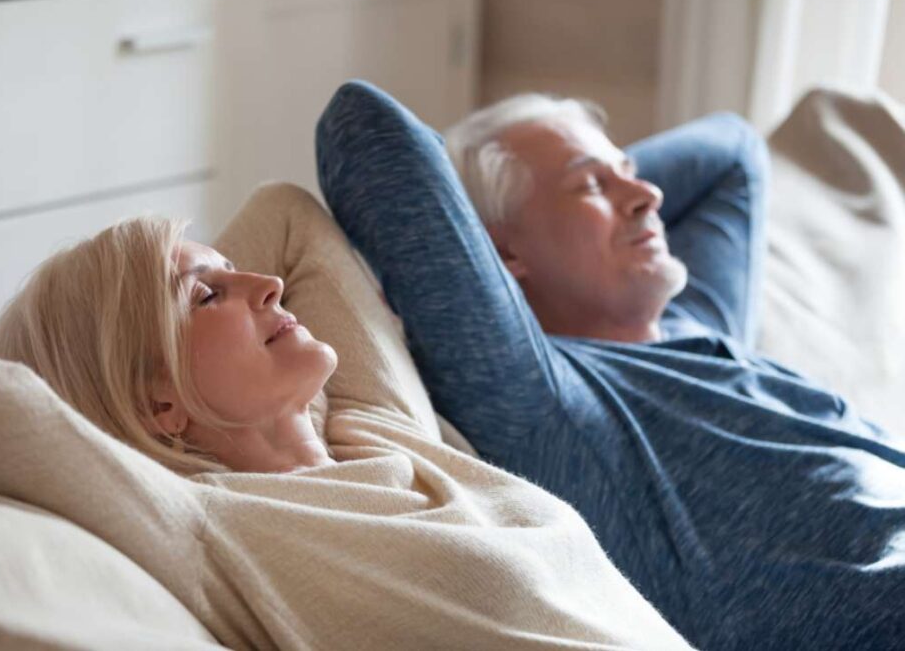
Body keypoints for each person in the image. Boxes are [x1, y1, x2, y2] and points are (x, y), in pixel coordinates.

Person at [316, 80, 905, 651]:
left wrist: (593, 179)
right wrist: (512, 207)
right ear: (501, 253)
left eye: (631, 171)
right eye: (590, 186)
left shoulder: (701, 319)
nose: (649, 196)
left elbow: (734, 150)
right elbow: (363, 128)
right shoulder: (546, 400)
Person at [0, 183, 692, 649]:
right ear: (155, 402)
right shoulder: (210, 527)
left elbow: (287, 215)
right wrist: (104, 339)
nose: (268, 284)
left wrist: (175, 298)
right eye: (206, 295)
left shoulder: (373, 425)